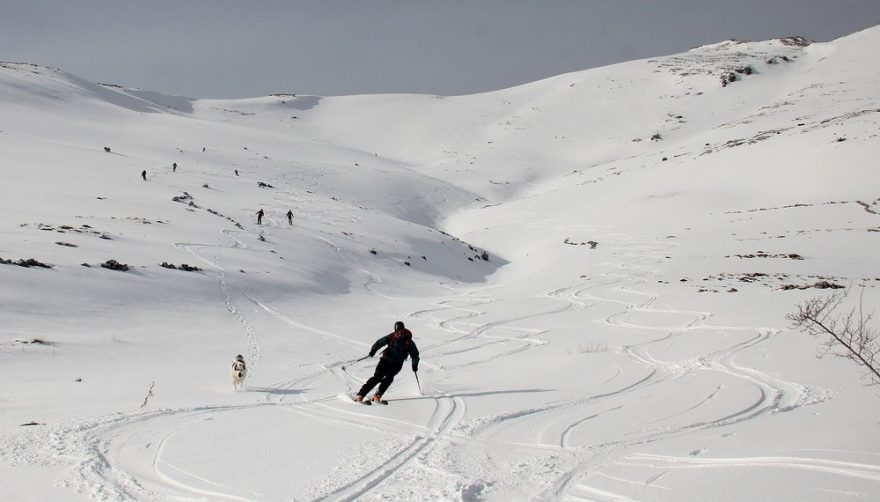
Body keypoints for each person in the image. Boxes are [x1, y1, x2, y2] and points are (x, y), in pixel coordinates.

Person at [355, 321, 419, 402]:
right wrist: (373, 350)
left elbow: (415, 355)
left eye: (401, 331)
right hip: (389, 361)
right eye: (398, 331)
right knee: (382, 377)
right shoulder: (397, 338)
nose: (400, 333)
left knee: (384, 377)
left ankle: (370, 395)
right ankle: (367, 395)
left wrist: (414, 365)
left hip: (392, 362)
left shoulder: (404, 340)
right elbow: (379, 342)